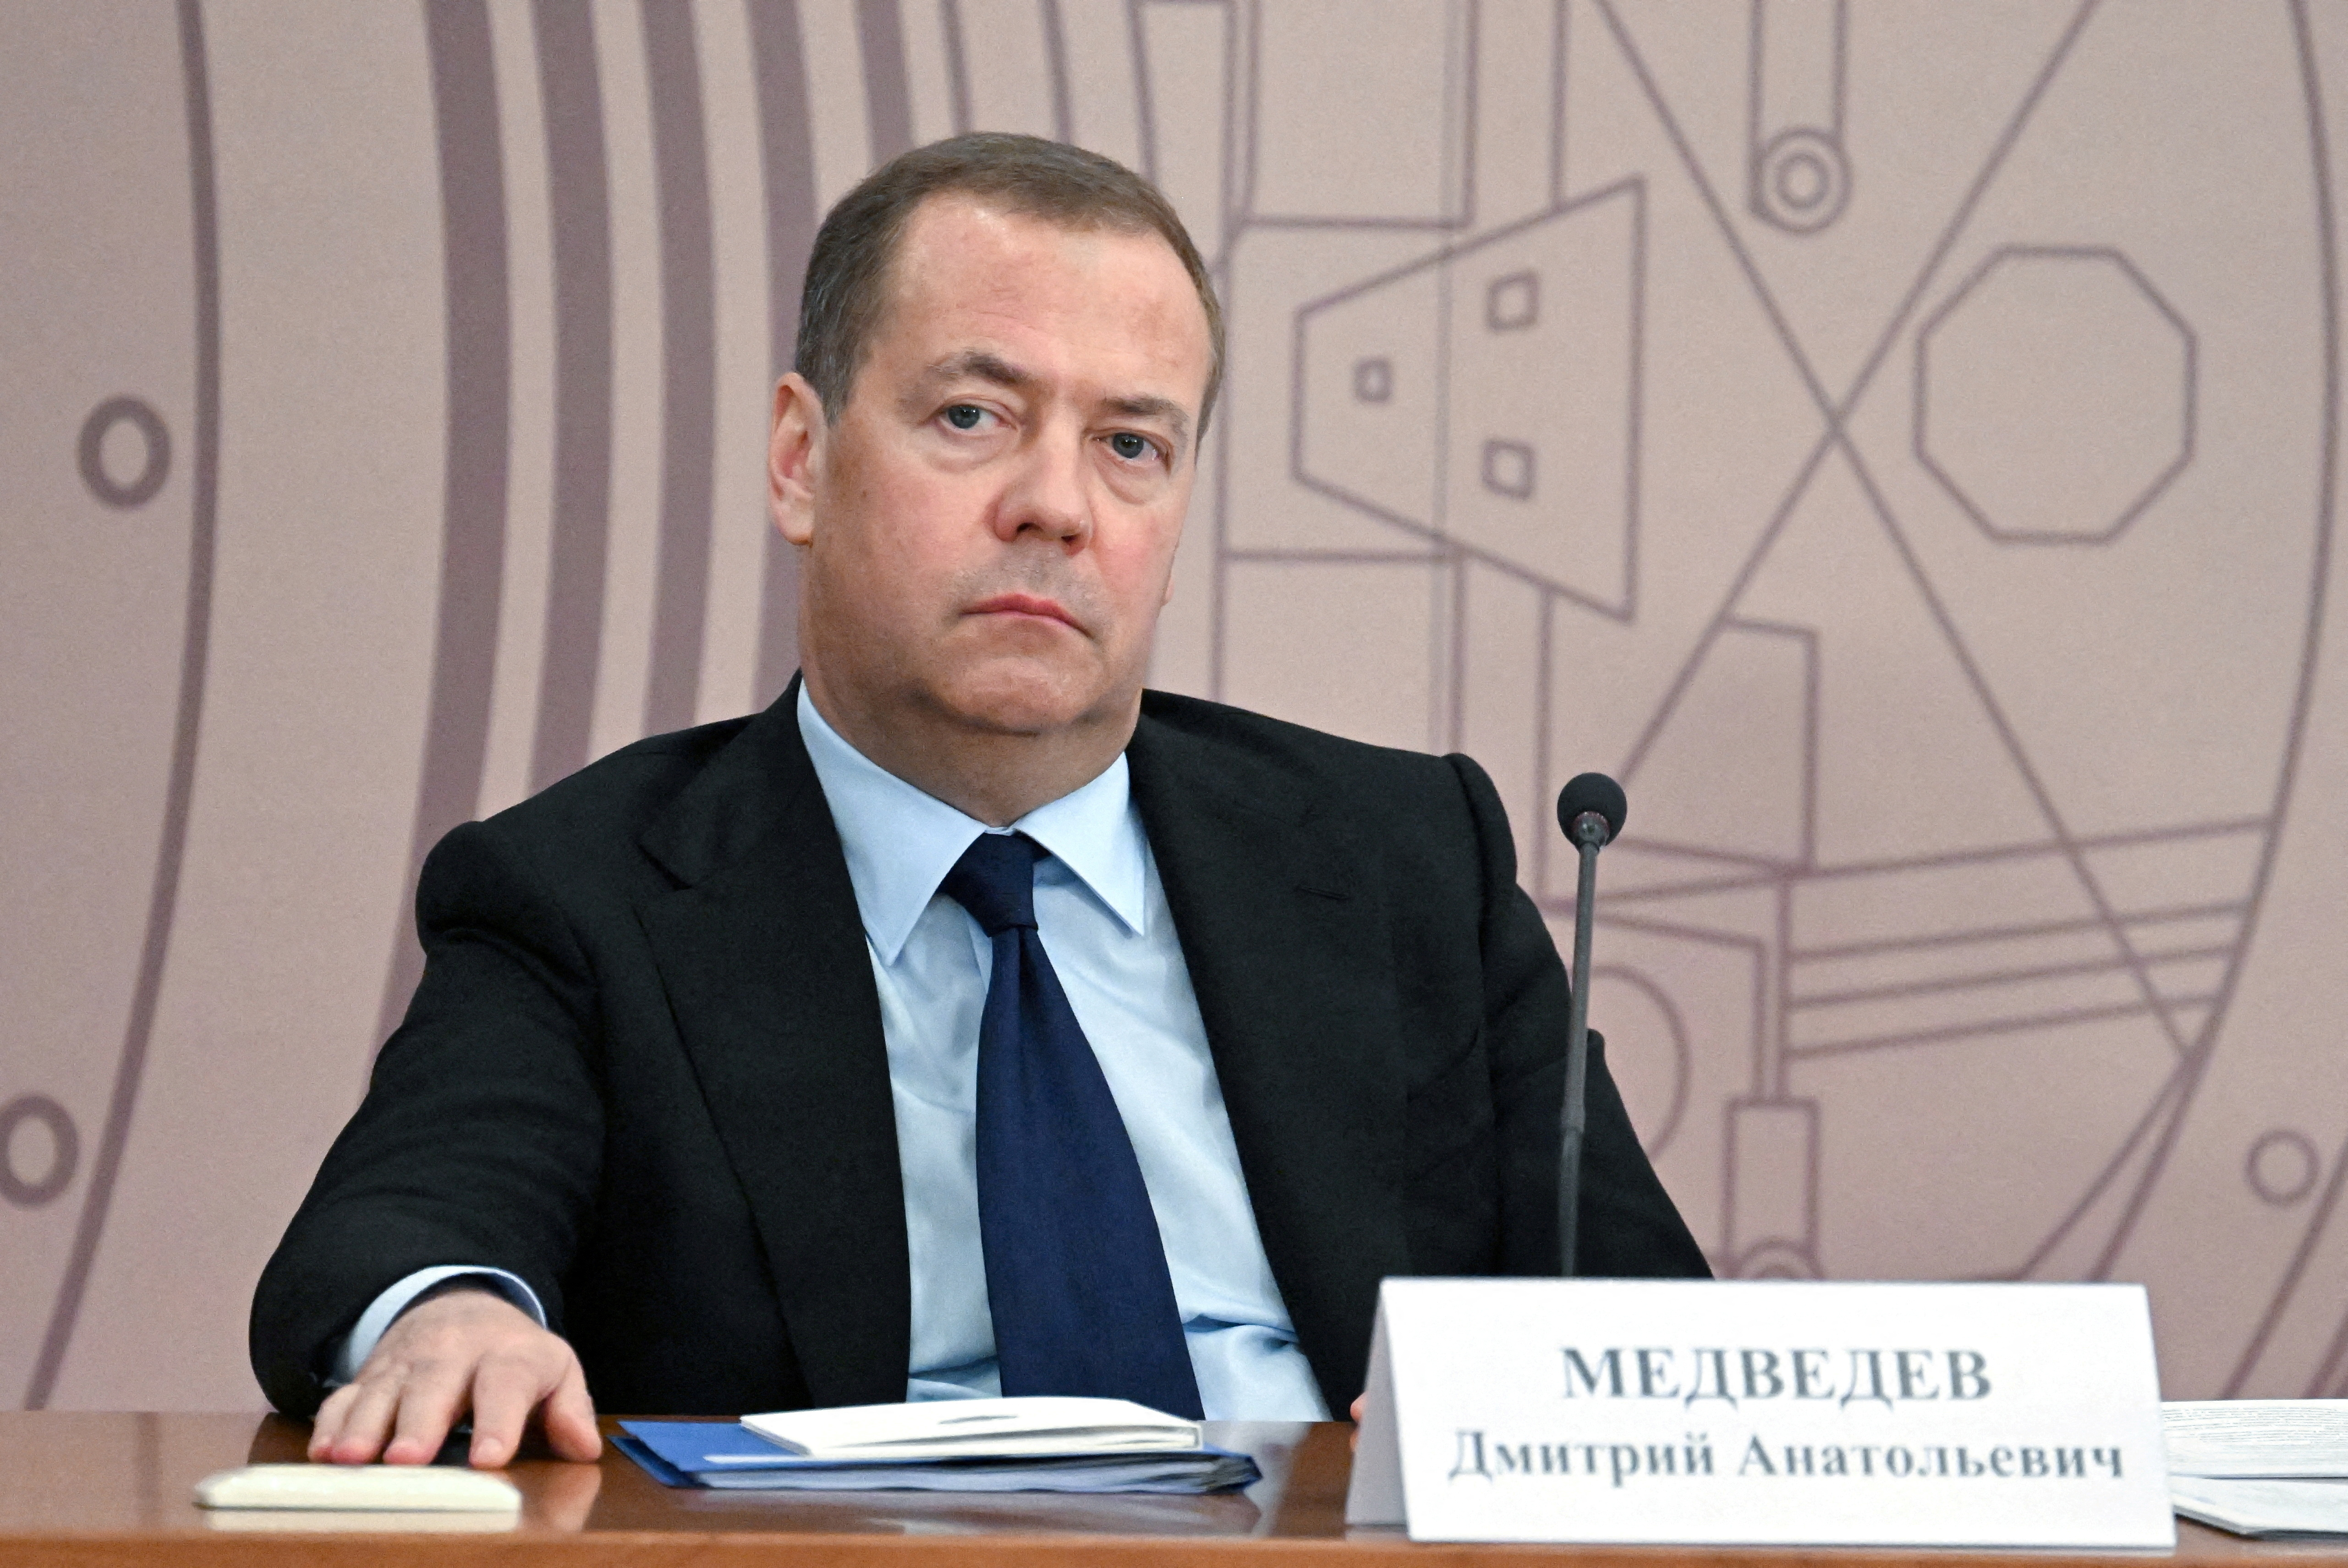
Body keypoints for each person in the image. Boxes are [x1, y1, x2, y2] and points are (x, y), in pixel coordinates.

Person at [252, 132, 1708, 1471]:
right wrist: (451, 1315)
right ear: (800, 459)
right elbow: (406, 1224)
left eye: (1131, 444)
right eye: (971, 415)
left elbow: (1655, 1332)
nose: (1056, 505)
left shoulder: (1402, 863)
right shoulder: (588, 892)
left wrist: (1550, 1397)